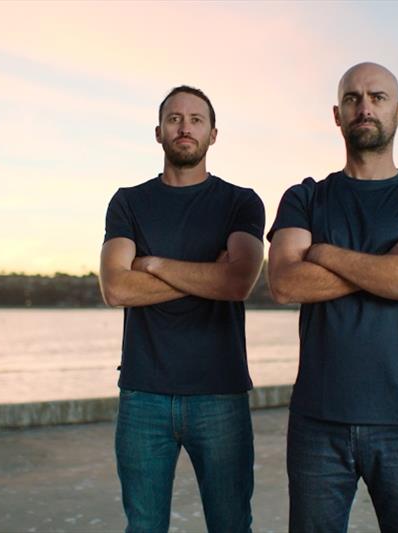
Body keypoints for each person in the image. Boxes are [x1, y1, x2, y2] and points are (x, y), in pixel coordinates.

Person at [267, 62, 398, 532]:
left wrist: (325, 253)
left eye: (378, 97)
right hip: (318, 421)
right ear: (337, 114)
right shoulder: (305, 198)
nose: (364, 107)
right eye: (353, 98)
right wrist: (387, 260)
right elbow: (286, 284)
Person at [99, 85, 265, 533]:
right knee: (144, 527)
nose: (185, 127)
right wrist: (203, 276)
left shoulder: (240, 201)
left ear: (213, 134)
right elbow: (115, 288)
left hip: (220, 395)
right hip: (142, 395)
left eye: (196, 120)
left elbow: (238, 281)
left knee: (231, 525)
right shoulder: (128, 201)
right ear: (158, 132)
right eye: (174, 119)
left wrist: (153, 266)